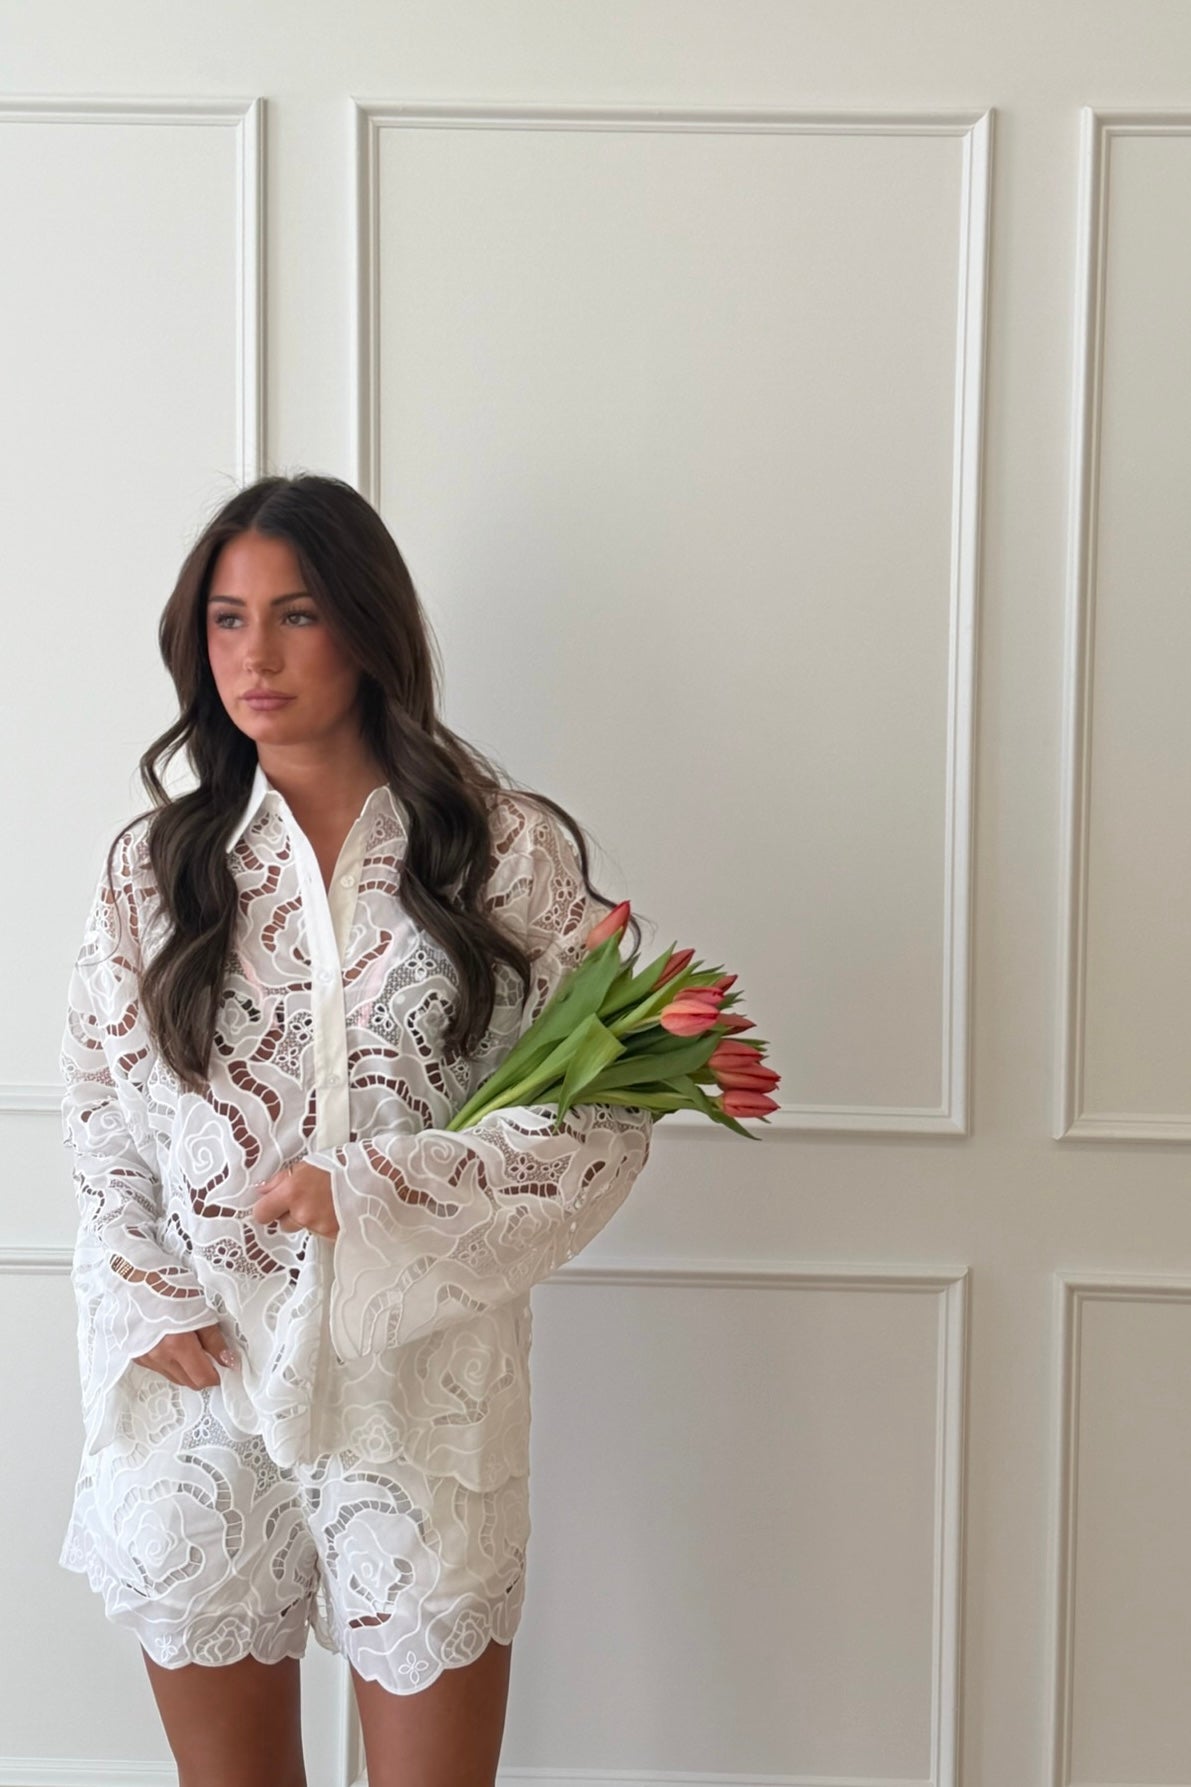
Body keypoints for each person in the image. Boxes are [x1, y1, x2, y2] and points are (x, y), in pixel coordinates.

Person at [57, 472, 656, 1787]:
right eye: (225, 620)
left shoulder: (504, 852)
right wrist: (138, 1293)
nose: (253, 657)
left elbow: (602, 1120)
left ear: (370, 628)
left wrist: (381, 1190)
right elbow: (101, 1118)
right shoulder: (151, 871)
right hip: (200, 1387)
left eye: (296, 615)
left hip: (424, 1397)